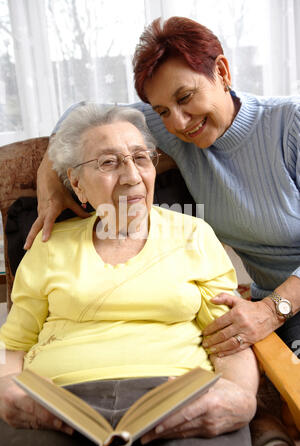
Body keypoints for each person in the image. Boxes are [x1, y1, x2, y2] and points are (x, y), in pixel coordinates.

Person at [25, 16, 300, 357]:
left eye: (186, 97)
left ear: (223, 72)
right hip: (273, 302)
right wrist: (49, 178)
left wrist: (274, 310)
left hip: (282, 304)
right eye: (162, 111)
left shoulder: (291, 125)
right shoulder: (177, 126)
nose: (179, 123)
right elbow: (82, 116)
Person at [0, 104, 259, 446]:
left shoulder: (193, 234)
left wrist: (240, 398)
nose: (132, 176)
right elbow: (13, 343)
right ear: (77, 183)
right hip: (59, 406)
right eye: (108, 163)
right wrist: (5, 386)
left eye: (140, 158)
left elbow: (231, 340)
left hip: (177, 400)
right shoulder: (49, 246)